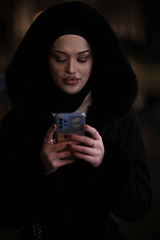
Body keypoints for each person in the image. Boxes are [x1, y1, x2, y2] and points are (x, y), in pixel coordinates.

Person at [0, 1, 152, 240]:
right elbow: (6, 215)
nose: (71, 69)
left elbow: (138, 206)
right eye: (60, 58)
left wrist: (106, 164)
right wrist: (41, 170)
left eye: (82, 59)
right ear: (44, 59)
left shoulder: (120, 118)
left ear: (96, 60)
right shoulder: (17, 122)